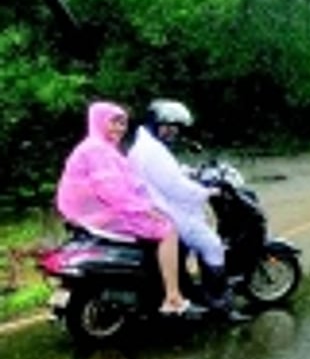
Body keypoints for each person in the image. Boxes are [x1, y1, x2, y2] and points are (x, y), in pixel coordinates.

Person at [55, 101, 202, 316]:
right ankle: (173, 297)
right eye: (113, 122)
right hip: (102, 213)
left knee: (159, 222)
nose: (120, 128)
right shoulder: (98, 150)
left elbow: (127, 180)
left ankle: (158, 287)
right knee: (168, 230)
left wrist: (148, 199)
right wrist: (143, 209)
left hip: (92, 212)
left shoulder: (99, 146)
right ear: (98, 122)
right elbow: (112, 191)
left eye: (123, 123)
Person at [128, 99, 250, 322]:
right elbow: (176, 188)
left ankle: (192, 292)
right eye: (167, 127)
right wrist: (207, 192)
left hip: (156, 204)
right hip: (168, 209)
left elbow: (169, 174)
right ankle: (219, 305)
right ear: (155, 124)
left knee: (196, 244)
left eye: (175, 128)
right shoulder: (153, 151)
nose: (171, 132)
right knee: (211, 245)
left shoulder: (145, 146)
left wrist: (187, 172)